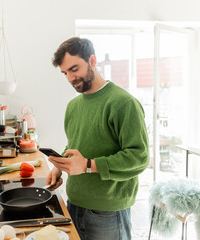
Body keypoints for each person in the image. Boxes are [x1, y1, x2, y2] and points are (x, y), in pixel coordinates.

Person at [46, 37, 149, 240]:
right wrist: (60, 166)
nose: (70, 78)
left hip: (108, 212)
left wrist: (86, 165)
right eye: (65, 73)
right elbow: (75, 143)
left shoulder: (123, 103)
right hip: (74, 204)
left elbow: (139, 158)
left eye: (75, 69)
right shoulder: (73, 106)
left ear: (92, 60)